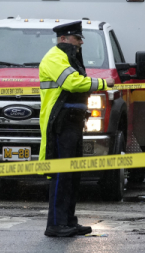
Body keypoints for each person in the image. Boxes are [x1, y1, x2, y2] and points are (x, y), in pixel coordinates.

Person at [38, 21, 113, 237]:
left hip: (72, 121)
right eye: (77, 38)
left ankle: (69, 221)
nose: (80, 43)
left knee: (72, 173)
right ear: (63, 39)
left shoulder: (68, 57)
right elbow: (72, 83)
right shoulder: (55, 57)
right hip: (60, 122)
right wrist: (102, 83)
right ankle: (55, 224)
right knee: (62, 174)